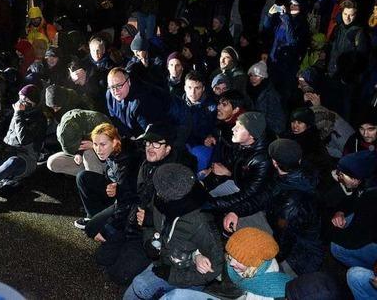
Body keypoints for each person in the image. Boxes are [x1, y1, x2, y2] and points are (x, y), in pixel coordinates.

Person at [223, 139, 324, 276]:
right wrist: (236, 211)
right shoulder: (288, 175)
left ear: (275, 163)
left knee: (255, 267)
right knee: (239, 219)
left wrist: (259, 259)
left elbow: (283, 244)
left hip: (298, 258)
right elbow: (262, 197)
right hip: (282, 229)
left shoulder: (292, 202)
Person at [123, 163, 222, 300]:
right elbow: (150, 226)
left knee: (141, 286)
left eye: (159, 192)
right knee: (129, 296)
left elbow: (215, 268)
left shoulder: (201, 221)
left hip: (185, 275)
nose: (156, 193)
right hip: (163, 262)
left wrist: (172, 275)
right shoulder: (162, 198)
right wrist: (148, 241)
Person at [203, 112, 272, 228]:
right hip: (237, 183)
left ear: (251, 135)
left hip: (252, 198)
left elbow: (247, 194)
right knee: (207, 193)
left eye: (239, 127)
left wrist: (212, 204)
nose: (233, 129)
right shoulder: (241, 143)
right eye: (235, 124)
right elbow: (227, 164)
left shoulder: (262, 160)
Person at [74, 123, 140, 237]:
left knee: (91, 230)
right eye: (95, 144)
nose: (98, 149)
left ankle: (103, 222)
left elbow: (129, 196)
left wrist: (108, 228)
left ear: (114, 142)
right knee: (83, 177)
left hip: (128, 200)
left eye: (103, 144)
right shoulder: (113, 150)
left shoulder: (127, 159)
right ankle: (93, 216)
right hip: (116, 190)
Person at [247, 60, 286, 137]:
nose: (253, 78)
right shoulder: (250, 90)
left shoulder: (270, 94)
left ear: (263, 77)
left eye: (256, 76)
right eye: (251, 75)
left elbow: (276, 117)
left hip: (271, 131)